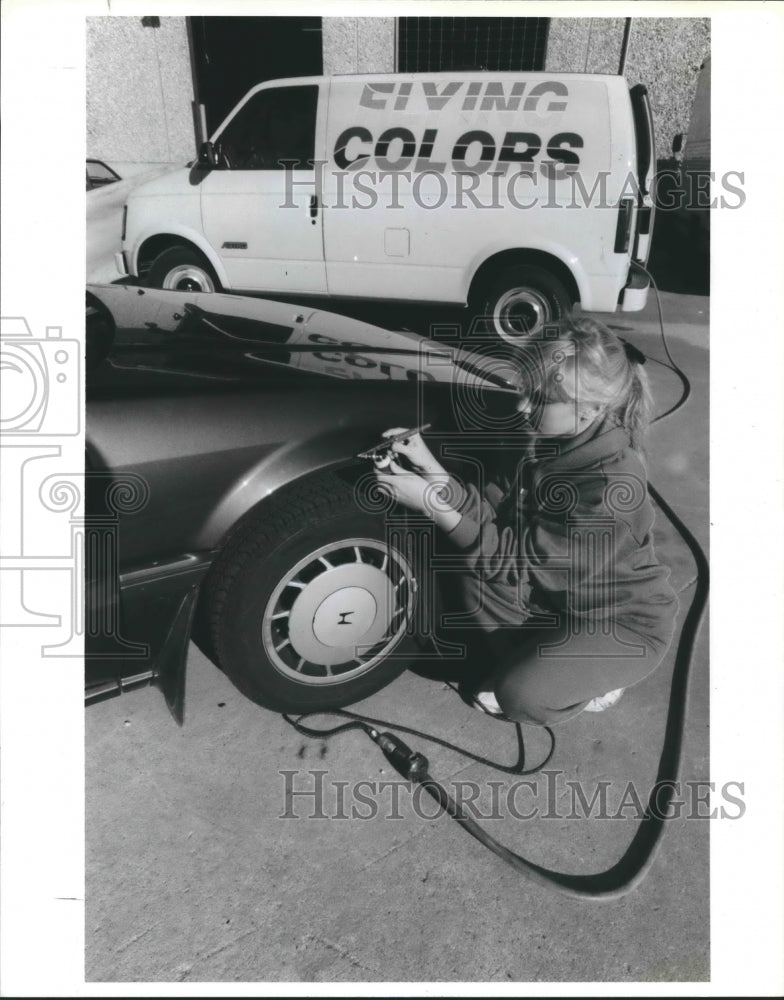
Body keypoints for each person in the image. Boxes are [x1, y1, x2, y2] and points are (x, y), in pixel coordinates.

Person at [373, 316, 679, 726]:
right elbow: (493, 518)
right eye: (524, 389)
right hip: (558, 596)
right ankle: (553, 655)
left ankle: (592, 682)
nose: (522, 405)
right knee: (469, 567)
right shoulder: (542, 442)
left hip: (622, 622)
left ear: (590, 408)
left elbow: (514, 562)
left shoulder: (610, 487)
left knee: (519, 695)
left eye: (539, 398)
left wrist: (430, 502)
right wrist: (431, 469)